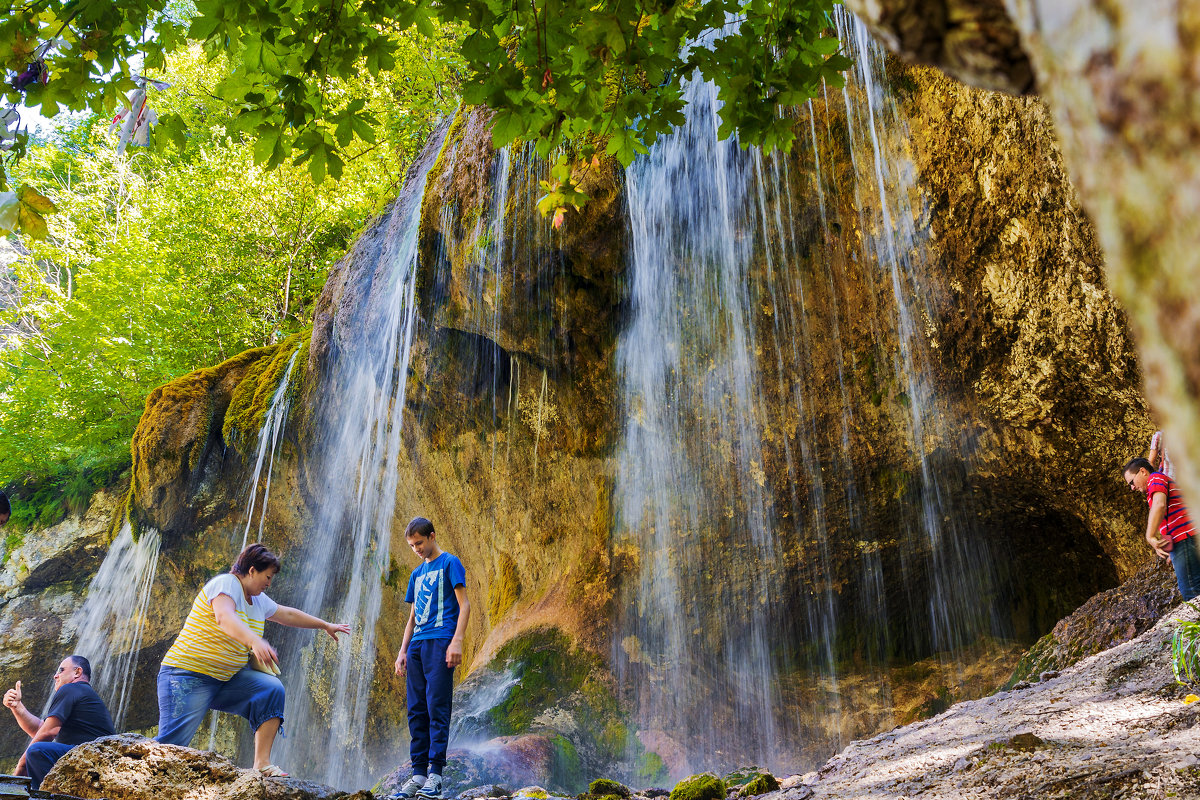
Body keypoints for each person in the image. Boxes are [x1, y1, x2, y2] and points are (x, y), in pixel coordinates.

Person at [155, 543, 350, 776]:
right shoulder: (226, 584)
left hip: (225, 681)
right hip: (187, 676)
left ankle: (262, 764)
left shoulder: (258, 600)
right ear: (251, 571)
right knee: (169, 748)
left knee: (270, 689)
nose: (269, 583)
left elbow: (287, 614)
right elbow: (223, 617)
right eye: (267, 577)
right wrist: (254, 641)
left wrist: (324, 624)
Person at [391, 517, 470, 800]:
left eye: (420, 543)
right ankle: (418, 775)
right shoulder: (416, 575)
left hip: (440, 640)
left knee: (437, 705)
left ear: (432, 536)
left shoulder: (450, 563)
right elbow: (412, 618)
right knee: (416, 710)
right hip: (417, 646)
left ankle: (435, 776)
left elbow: (465, 605)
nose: (416, 549)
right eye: (412, 545)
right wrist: (402, 651)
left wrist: (457, 640)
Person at [3, 655, 115, 790]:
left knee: (37, 751)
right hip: (96, 760)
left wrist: (21, 765)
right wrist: (17, 706)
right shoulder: (80, 692)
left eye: (61, 670)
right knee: (37, 750)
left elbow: (48, 733)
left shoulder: (71, 689)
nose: (55, 676)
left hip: (94, 758)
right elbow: (41, 729)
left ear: (77, 672)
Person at [1124, 457, 1200, 599]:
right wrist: (1172, 551)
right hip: (1186, 537)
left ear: (1142, 471)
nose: (1132, 488)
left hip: (1184, 538)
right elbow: (1168, 519)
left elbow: (1159, 505)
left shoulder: (1155, 478)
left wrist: (1149, 536)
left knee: (1191, 590)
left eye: (1131, 482)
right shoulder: (1157, 483)